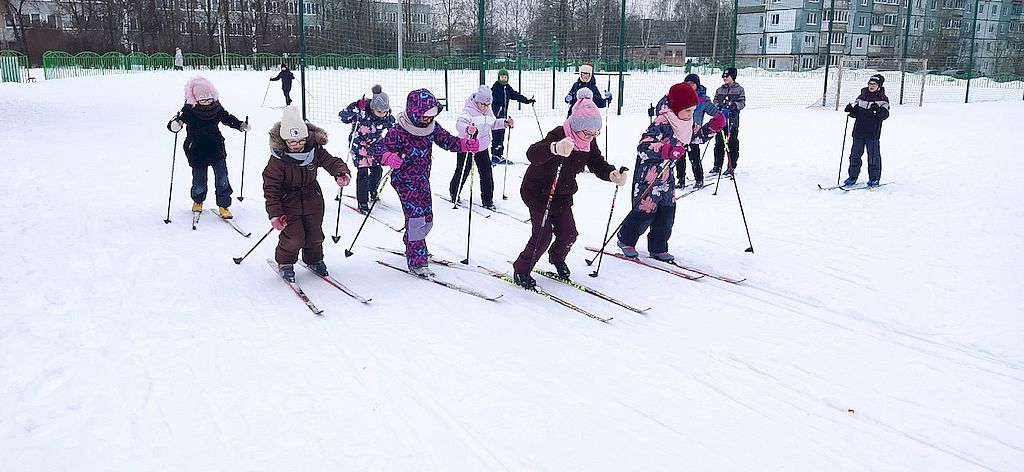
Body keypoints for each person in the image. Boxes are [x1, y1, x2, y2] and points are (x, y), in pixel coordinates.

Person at [511, 88, 628, 288]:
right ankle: (521, 269)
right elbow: (532, 154)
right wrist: (554, 148)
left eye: (594, 133)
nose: (591, 137)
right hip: (539, 192)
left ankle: (556, 258)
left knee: (569, 234)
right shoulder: (560, 134)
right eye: (587, 133)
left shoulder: (588, 141)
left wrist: (611, 174)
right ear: (576, 126)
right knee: (543, 234)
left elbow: (596, 162)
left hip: (562, 193)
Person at [372, 89, 480, 277]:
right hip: (404, 180)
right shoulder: (399, 131)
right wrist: (388, 157)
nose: (428, 120)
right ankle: (417, 261)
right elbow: (379, 149)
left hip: (422, 179)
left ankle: (412, 243)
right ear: (414, 112)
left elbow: (447, 141)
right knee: (416, 220)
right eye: (424, 117)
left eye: (431, 116)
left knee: (427, 220)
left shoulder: (431, 127)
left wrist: (465, 144)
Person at [616, 83, 726, 263]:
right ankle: (625, 239)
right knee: (645, 212)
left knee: (667, 214)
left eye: (693, 111)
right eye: (687, 111)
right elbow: (643, 146)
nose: (691, 115)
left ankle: (658, 247)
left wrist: (713, 126)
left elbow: (696, 137)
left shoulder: (686, 122)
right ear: (676, 107)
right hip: (649, 176)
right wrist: (666, 150)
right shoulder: (662, 122)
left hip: (667, 176)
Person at [262, 106, 352, 282]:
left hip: (312, 198)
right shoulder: (278, 159)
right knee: (294, 236)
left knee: (315, 234)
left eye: (301, 141)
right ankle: (286, 262)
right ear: (284, 140)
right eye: (292, 142)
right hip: (288, 201)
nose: (297, 146)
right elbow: (271, 188)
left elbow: (331, 162)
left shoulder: (314, 150)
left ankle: (314, 259)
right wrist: (275, 214)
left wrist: (340, 172)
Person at [166, 76, 250, 218]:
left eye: (209, 98)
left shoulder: (216, 108)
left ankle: (224, 205)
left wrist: (240, 125)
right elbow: (177, 120)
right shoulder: (189, 109)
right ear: (195, 98)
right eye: (202, 99)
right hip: (196, 149)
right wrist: (175, 125)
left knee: (222, 178)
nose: (206, 101)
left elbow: (227, 118)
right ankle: (198, 201)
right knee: (199, 179)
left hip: (215, 147)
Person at [449, 85, 512, 210]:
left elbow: (492, 124)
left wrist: (504, 123)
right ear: (477, 101)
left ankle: (488, 200)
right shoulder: (469, 110)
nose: (486, 107)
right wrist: (467, 128)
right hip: (466, 146)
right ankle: (454, 193)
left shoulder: (488, 111)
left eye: (488, 104)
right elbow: (459, 123)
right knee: (463, 171)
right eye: (483, 104)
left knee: (486, 173)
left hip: (482, 147)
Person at [652, 73, 719, 188]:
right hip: (678, 132)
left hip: (693, 133)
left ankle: (699, 179)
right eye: (687, 83)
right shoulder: (679, 96)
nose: (690, 85)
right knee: (679, 158)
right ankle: (681, 179)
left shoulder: (702, 99)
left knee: (694, 157)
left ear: (697, 85)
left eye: (692, 83)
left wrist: (719, 116)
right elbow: (667, 108)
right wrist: (654, 110)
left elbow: (713, 111)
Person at [338, 84, 395, 213]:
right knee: (363, 172)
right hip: (359, 146)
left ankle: (372, 189)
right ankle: (362, 201)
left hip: (375, 147)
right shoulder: (361, 112)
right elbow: (342, 117)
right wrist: (357, 106)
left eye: (385, 111)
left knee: (377, 171)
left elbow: (395, 132)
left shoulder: (387, 117)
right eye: (379, 111)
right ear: (373, 107)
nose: (382, 114)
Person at [842, 74, 890, 187]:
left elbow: (884, 115)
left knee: (873, 157)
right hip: (858, 131)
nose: (871, 86)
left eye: (874, 84)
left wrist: (877, 111)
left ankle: (874, 178)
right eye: (870, 84)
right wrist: (851, 110)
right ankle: (852, 176)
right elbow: (855, 113)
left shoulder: (883, 99)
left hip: (872, 133)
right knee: (854, 156)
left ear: (879, 86)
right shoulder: (862, 96)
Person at [490, 68, 535, 165]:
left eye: (505, 77)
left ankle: (497, 154)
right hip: (496, 116)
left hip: (503, 116)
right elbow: (487, 98)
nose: (503, 79)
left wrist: (527, 101)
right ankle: (495, 156)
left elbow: (516, 95)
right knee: (497, 135)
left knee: (501, 135)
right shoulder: (494, 88)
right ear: (498, 78)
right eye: (502, 77)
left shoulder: (507, 88)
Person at [711, 67, 746, 176]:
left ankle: (731, 166)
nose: (724, 78)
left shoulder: (739, 89)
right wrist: (718, 107)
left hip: (732, 121)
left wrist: (733, 105)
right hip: (721, 121)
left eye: (727, 76)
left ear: (733, 77)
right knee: (719, 143)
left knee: (732, 144)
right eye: (723, 76)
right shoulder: (720, 89)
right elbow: (715, 100)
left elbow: (742, 103)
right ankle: (717, 165)